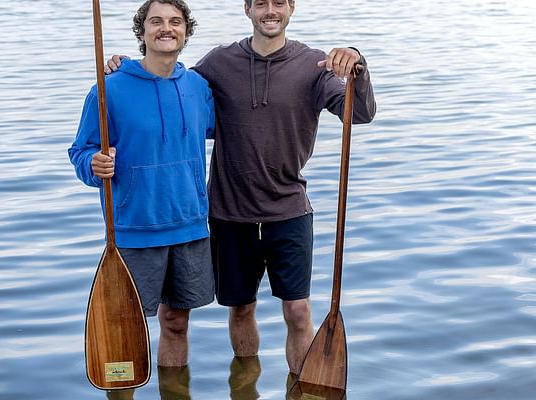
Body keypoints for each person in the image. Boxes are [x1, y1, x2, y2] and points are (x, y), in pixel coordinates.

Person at [107, 0, 376, 376]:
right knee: (241, 308)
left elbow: (358, 114)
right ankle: (245, 386)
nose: (270, 10)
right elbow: (169, 82)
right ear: (247, 9)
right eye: (260, 2)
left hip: (290, 210)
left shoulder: (313, 65)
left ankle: (298, 386)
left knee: (298, 311)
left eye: (278, 2)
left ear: (291, 8)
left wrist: (358, 65)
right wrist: (128, 70)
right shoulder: (219, 62)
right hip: (229, 212)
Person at [69, 0, 214, 398]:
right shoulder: (109, 89)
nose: (166, 28)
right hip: (133, 231)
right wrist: (93, 165)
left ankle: (175, 393)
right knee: (122, 336)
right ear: (142, 31)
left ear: (186, 31)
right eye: (156, 22)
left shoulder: (199, 88)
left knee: (178, 324)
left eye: (175, 21)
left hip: (189, 225)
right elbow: (81, 151)